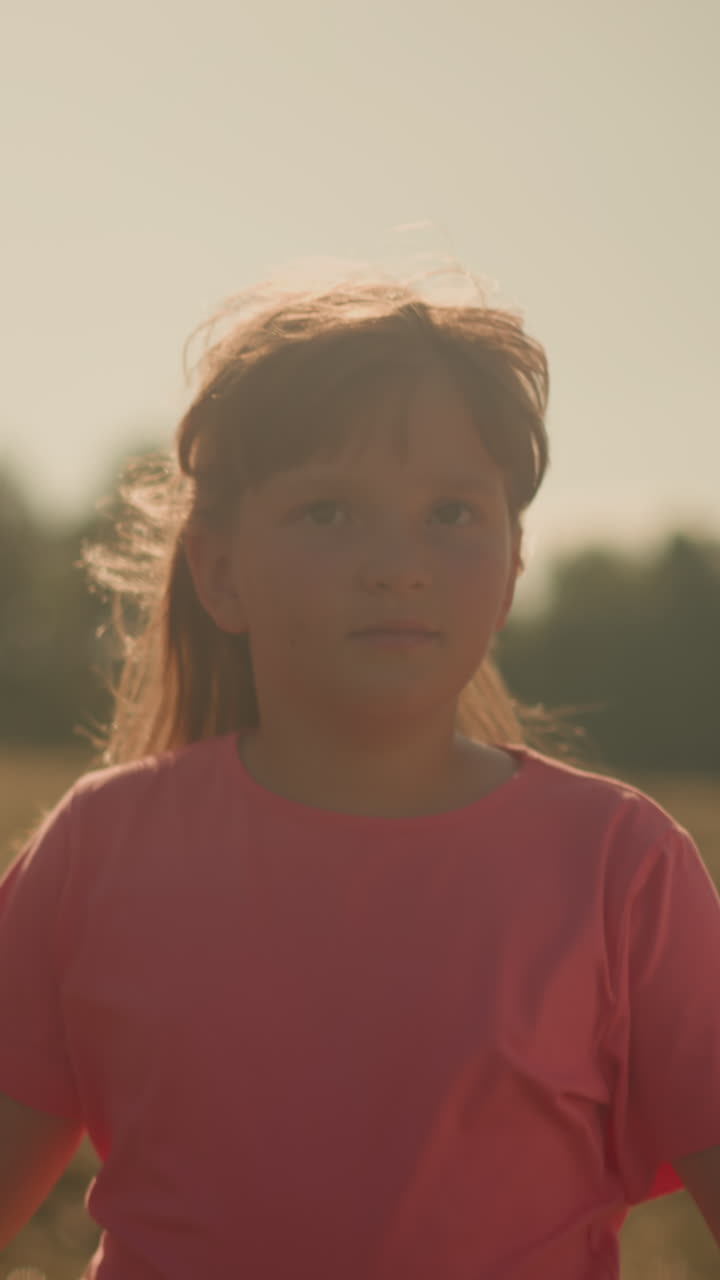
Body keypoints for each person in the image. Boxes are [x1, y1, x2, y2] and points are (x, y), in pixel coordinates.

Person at [1, 260, 719, 1280]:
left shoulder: (617, 867)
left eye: (453, 512)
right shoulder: (103, 846)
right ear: (219, 568)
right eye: (330, 511)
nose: (400, 562)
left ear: (512, 568)